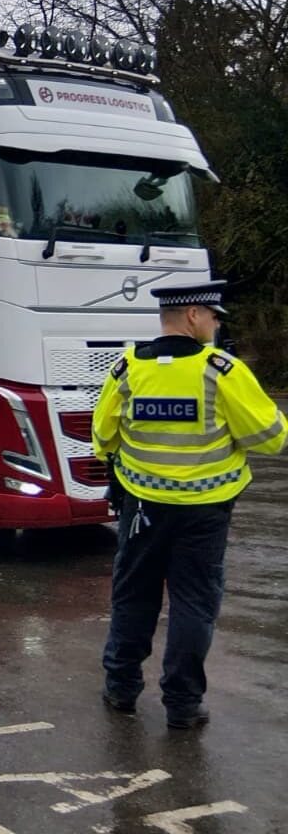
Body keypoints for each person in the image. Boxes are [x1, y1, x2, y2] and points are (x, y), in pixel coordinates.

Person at [92, 280, 286, 729]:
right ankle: (182, 704)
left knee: (133, 596)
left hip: (141, 508)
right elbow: (272, 438)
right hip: (204, 512)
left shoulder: (126, 369)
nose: (217, 325)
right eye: (214, 317)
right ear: (194, 316)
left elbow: (103, 437)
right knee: (193, 605)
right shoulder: (221, 370)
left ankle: (121, 688)